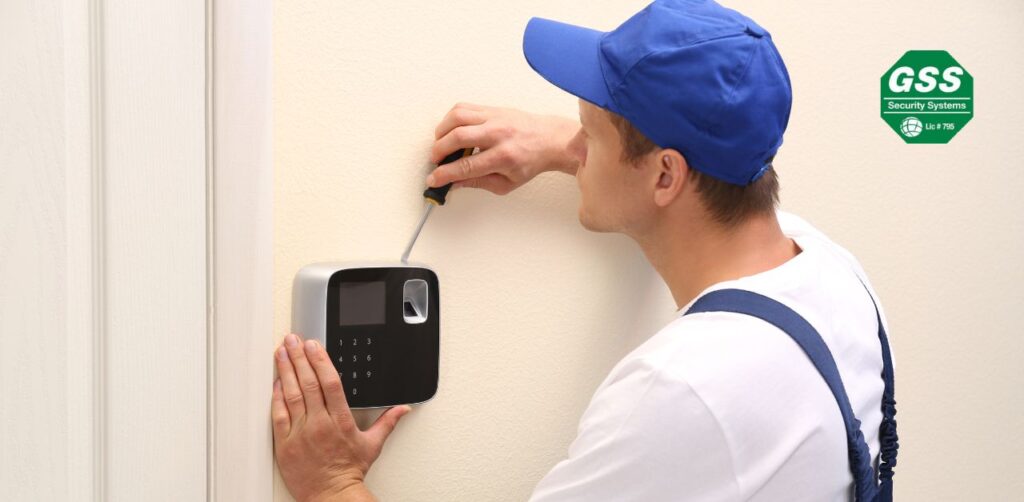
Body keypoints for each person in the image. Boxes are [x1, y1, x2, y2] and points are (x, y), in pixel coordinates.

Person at [270, 1, 898, 501]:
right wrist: (559, 145)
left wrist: (332, 486)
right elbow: (699, 182)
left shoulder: (683, 390)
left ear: (665, 177)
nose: (574, 145)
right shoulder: (831, 271)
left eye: (589, 134)